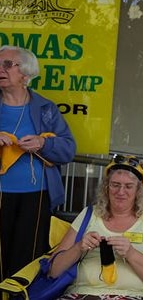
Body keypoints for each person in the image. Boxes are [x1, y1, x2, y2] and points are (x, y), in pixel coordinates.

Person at [48, 154, 143, 300]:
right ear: (106, 187)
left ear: (138, 191)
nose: (121, 192)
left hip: (136, 296)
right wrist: (79, 247)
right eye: (115, 185)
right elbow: (53, 271)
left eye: (128, 186)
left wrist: (131, 253)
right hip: (83, 294)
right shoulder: (89, 214)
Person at [0, 45, 76, 281]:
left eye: (7, 64)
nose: (1, 69)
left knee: (27, 260)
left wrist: (44, 144)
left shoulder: (46, 108)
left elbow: (68, 150)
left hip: (37, 196)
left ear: (26, 73)